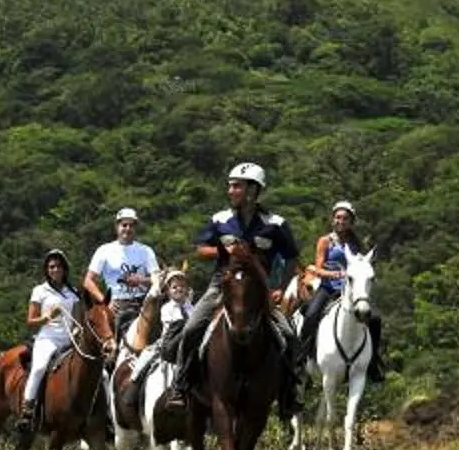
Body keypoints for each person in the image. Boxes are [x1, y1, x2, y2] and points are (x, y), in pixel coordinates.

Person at [160, 163, 299, 418]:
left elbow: (291, 258)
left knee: (289, 336)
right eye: (230, 185)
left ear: (253, 191)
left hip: (259, 290)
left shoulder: (276, 224)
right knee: (191, 328)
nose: (231, 190)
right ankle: (180, 386)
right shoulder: (220, 220)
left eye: (237, 186)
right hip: (221, 285)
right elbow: (201, 249)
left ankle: (289, 393)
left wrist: (280, 287)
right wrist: (225, 250)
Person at [300, 200, 388, 381]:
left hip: (350, 291)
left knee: (375, 319)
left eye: (345, 218)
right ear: (333, 219)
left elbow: (362, 265)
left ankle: (373, 362)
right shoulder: (325, 241)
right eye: (338, 217)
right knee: (311, 314)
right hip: (328, 288)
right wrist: (334, 274)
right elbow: (318, 267)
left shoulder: (355, 244)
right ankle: (301, 356)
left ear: (351, 222)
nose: (341, 221)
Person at [13, 249, 84, 447]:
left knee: (98, 372)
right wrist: (46, 318)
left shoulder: (73, 293)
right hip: (47, 338)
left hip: (69, 341)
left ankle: (103, 416)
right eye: (51, 267)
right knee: (39, 367)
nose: (55, 270)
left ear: (64, 269)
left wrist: (77, 335)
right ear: (47, 270)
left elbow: (78, 321)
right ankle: (28, 409)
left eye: (59, 266)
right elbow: (30, 321)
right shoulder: (39, 291)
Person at [83, 207, 159, 339]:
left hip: (143, 303)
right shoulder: (104, 250)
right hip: (117, 305)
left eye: (131, 225)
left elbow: (157, 278)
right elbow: (88, 281)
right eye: (124, 225)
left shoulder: (146, 251)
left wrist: (142, 280)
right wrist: (105, 301)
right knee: (113, 345)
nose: (128, 229)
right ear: (116, 226)